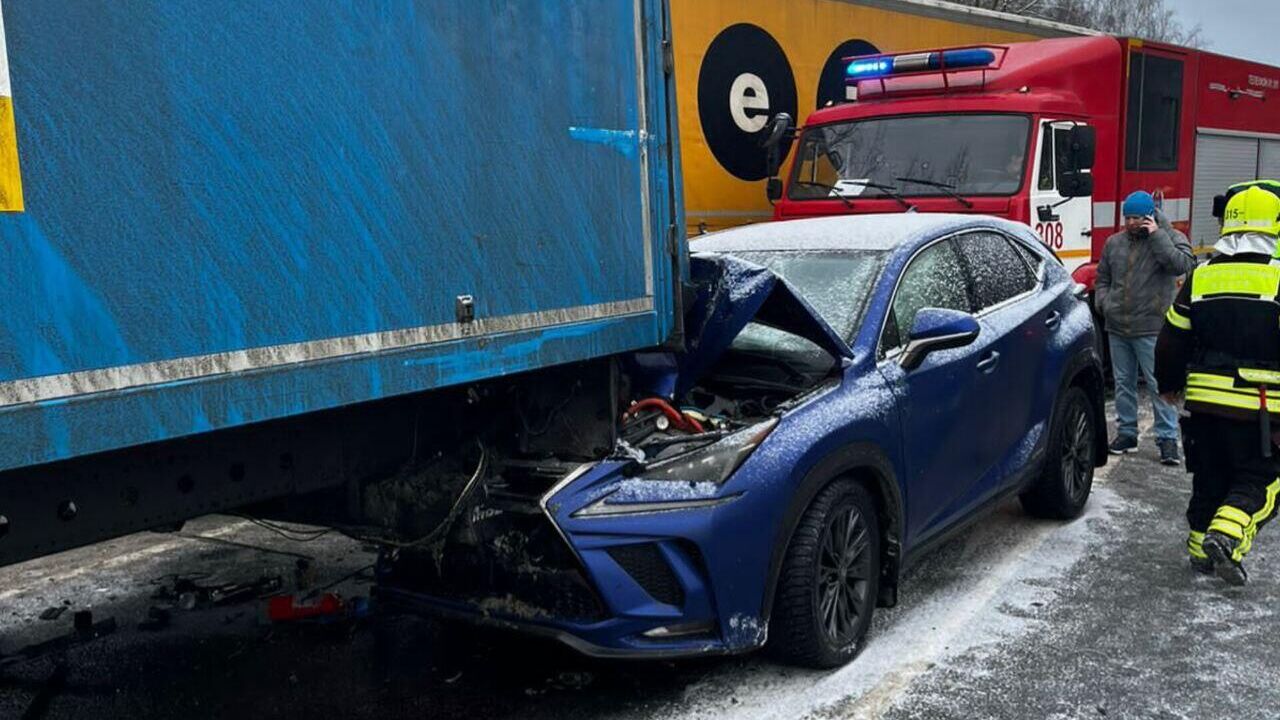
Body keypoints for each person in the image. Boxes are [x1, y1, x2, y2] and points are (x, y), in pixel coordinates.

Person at [1155, 185, 1280, 585]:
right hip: (1261, 408)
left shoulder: (1203, 274)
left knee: (1209, 477)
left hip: (1204, 406)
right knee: (1262, 480)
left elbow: (1172, 336)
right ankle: (1227, 538)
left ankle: (1200, 554)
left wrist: (1170, 384)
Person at [1094, 190, 1196, 463]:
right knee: (1124, 384)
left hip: (1152, 327)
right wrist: (1104, 303)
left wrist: (1157, 236)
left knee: (1158, 385)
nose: (1130, 223)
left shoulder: (1170, 238)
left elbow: (1183, 265)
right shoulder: (1114, 243)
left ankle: (1167, 440)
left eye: (1137, 217)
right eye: (1127, 217)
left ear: (1150, 216)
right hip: (1118, 326)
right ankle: (1127, 433)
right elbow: (1102, 277)